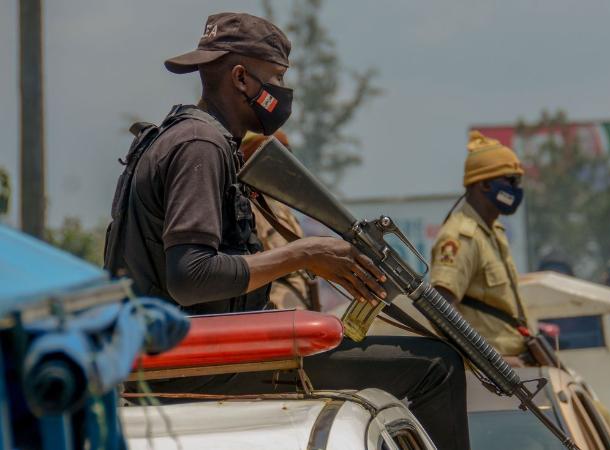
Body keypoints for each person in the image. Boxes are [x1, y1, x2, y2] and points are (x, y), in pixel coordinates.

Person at [106, 13, 467, 449]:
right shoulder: (201, 145)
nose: (281, 90)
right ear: (241, 78)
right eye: (276, 77)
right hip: (204, 365)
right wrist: (304, 254)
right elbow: (190, 276)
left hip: (187, 356)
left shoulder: (195, 139)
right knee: (438, 367)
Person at [429, 130, 531, 359]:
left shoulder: (494, 232)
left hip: (514, 365)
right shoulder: (460, 237)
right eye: (511, 181)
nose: (516, 189)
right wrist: (488, 362)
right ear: (484, 184)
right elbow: (441, 309)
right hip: (489, 372)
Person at [240, 131, 313, 310]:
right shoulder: (246, 208)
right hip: (273, 308)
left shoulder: (280, 206)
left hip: (297, 303)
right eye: (279, 157)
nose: (287, 165)